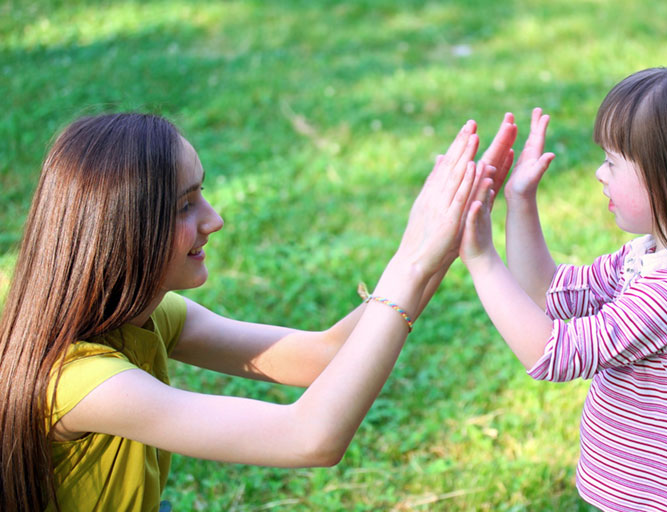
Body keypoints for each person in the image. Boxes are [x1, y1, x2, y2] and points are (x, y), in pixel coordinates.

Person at [0, 111, 518, 511]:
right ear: (122, 231)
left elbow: (323, 356)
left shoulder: (149, 316)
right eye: (185, 205)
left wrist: (435, 244)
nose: (215, 219)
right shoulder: (82, 383)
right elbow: (309, 438)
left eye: (202, 193)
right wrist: (412, 262)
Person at [459, 65, 667, 511]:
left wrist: (481, 261)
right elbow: (547, 290)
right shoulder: (646, 257)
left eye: (612, 162)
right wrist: (521, 201)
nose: (599, 174)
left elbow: (555, 353)